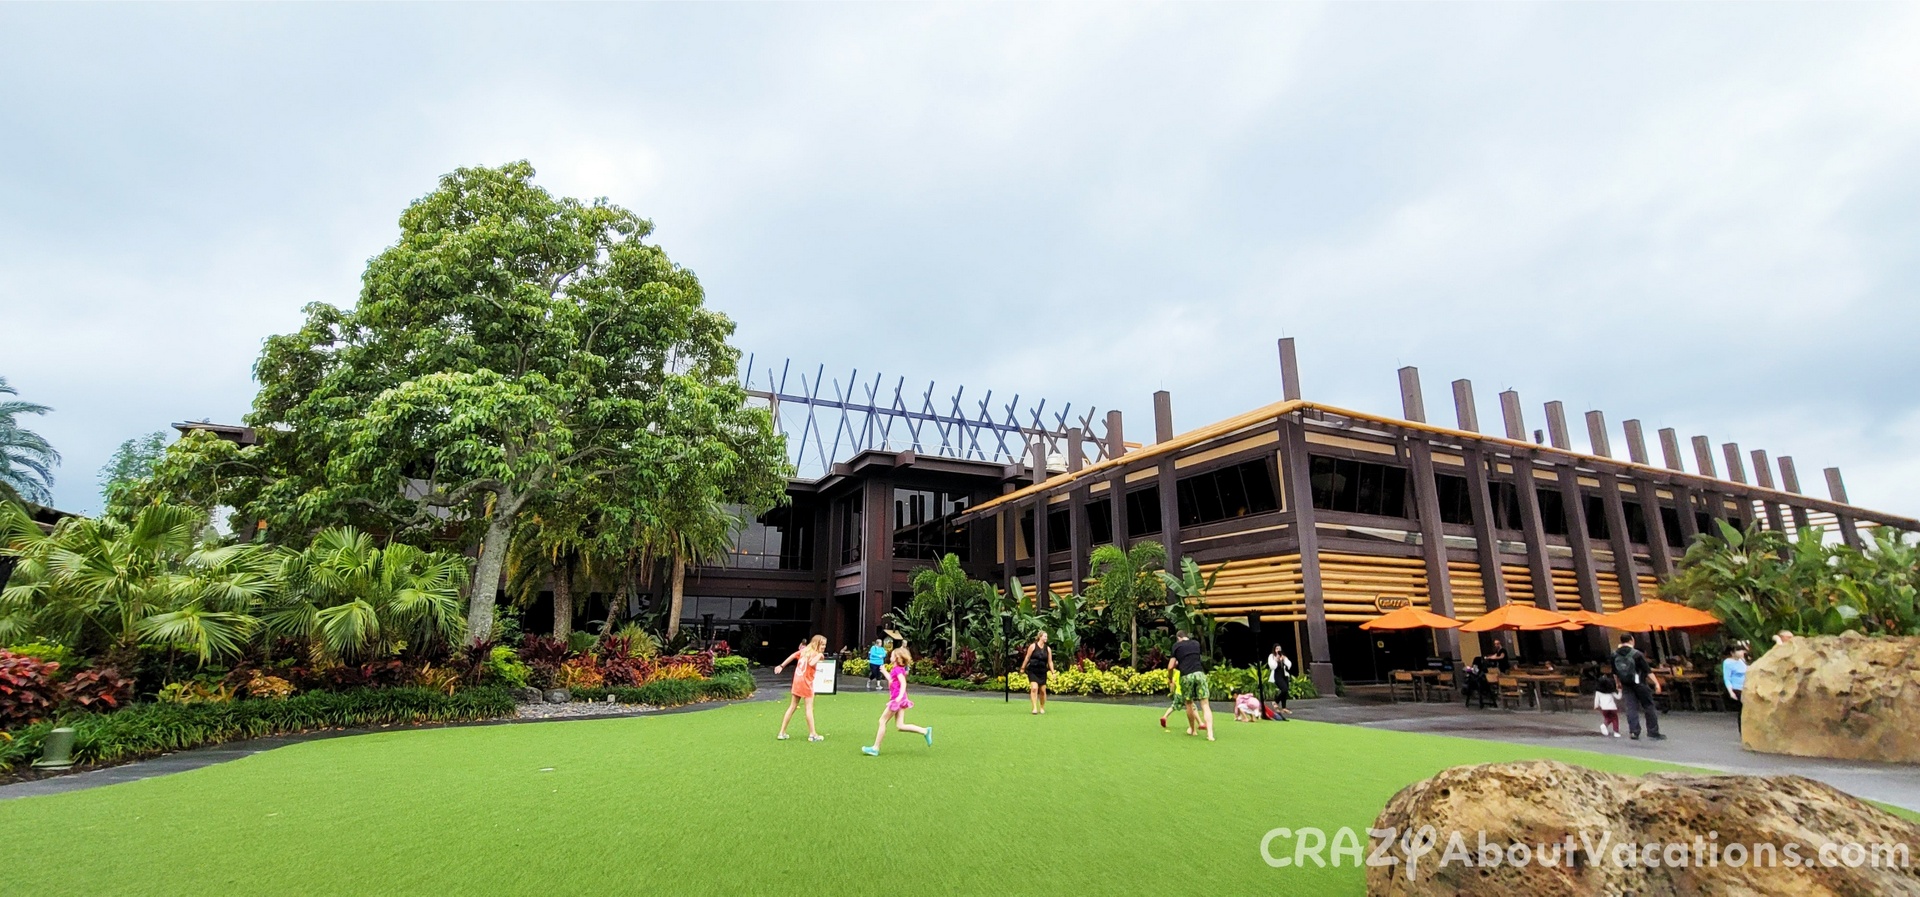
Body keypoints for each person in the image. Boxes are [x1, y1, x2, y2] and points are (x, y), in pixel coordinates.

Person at [862, 646, 932, 756]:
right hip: (900, 699)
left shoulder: (897, 670)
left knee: (882, 721)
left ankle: (875, 748)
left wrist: (899, 697)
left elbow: (903, 683)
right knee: (900, 725)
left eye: (892, 655)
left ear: (897, 658)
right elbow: (891, 680)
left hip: (897, 700)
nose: (890, 656)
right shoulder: (897, 669)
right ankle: (925, 731)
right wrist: (884, 672)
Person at [1610, 634, 1664, 741]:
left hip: (1626, 684)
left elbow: (1615, 672)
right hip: (1640, 683)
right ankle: (1653, 731)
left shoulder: (1614, 655)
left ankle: (1634, 731)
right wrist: (1656, 683)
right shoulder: (1637, 654)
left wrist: (1617, 683)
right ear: (1631, 640)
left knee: (1631, 707)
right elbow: (1647, 670)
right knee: (1648, 705)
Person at [774, 635, 828, 742]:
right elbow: (811, 663)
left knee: (792, 706)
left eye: (825, 645)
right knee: (809, 708)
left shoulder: (804, 651)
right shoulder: (816, 653)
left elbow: (793, 655)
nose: (824, 647)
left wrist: (781, 665)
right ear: (816, 643)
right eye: (822, 644)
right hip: (806, 683)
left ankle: (782, 732)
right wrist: (819, 656)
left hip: (797, 681)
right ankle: (813, 734)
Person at [1166, 630, 1214, 741]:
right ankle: (1210, 734)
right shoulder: (1196, 644)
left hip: (1186, 676)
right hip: (1199, 674)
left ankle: (1193, 730)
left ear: (1178, 638)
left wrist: (1170, 678)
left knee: (1189, 703)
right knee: (1205, 704)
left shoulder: (1176, 646)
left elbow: (1170, 666)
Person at [1019, 631, 1055, 715]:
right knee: (1034, 688)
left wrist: (1053, 672)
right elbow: (1027, 657)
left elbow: (1050, 661)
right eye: (1045, 636)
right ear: (1040, 637)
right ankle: (1034, 707)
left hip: (1042, 671)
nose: (1046, 638)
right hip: (1033, 670)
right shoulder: (1033, 646)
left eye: (1046, 637)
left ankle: (1042, 707)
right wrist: (1022, 668)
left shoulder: (1048, 649)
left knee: (1042, 690)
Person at [1722, 644, 1748, 732]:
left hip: (1745, 688)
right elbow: (1727, 678)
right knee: (1742, 709)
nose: (1741, 652)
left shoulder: (1742, 660)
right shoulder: (1728, 663)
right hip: (1737, 689)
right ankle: (1743, 731)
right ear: (1732, 653)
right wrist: (1731, 692)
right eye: (1739, 650)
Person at [1265, 645, 1293, 720]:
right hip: (1277, 675)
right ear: (1274, 649)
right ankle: (1275, 701)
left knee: (1286, 691)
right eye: (1277, 648)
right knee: (1284, 689)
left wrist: (1284, 659)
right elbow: (1272, 666)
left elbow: (1289, 665)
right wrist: (1276, 660)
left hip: (1284, 675)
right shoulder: (1272, 656)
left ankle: (1284, 707)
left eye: (1279, 648)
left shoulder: (1283, 656)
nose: (1278, 650)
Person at [1593, 669, 1622, 738]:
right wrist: (1620, 691)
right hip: (1612, 707)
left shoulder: (1598, 692)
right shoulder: (1611, 691)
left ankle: (1604, 725)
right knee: (1615, 719)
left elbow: (1596, 700)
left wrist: (1596, 706)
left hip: (1604, 708)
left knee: (1607, 717)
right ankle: (1616, 732)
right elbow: (1618, 697)